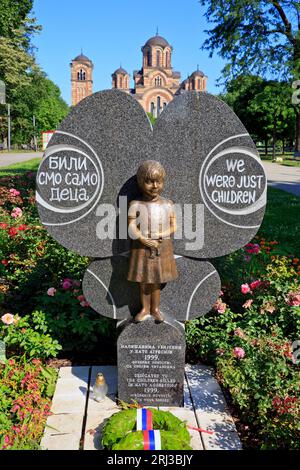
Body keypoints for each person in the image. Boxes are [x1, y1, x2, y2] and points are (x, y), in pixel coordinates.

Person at [127, 160, 178, 322]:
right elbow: (131, 226)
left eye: (158, 182)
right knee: (143, 280)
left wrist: (161, 233)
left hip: (161, 248)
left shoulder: (168, 204)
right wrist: (143, 239)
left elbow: (174, 226)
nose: (154, 186)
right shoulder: (135, 204)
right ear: (141, 183)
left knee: (156, 280)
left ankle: (155, 309)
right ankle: (144, 308)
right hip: (141, 248)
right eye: (149, 182)